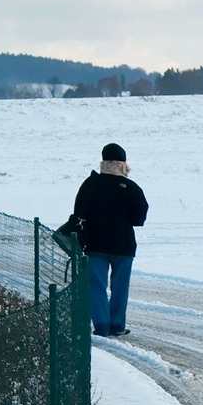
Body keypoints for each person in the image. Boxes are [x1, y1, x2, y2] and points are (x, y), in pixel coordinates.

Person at [71, 142, 149, 337]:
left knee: (96, 286)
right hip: (123, 246)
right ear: (123, 163)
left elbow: (78, 212)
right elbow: (139, 218)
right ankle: (116, 325)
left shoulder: (90, 184)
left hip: (95, 245)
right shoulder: (131, 187)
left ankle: (101, 326)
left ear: (103, 162)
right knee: (120, 288)